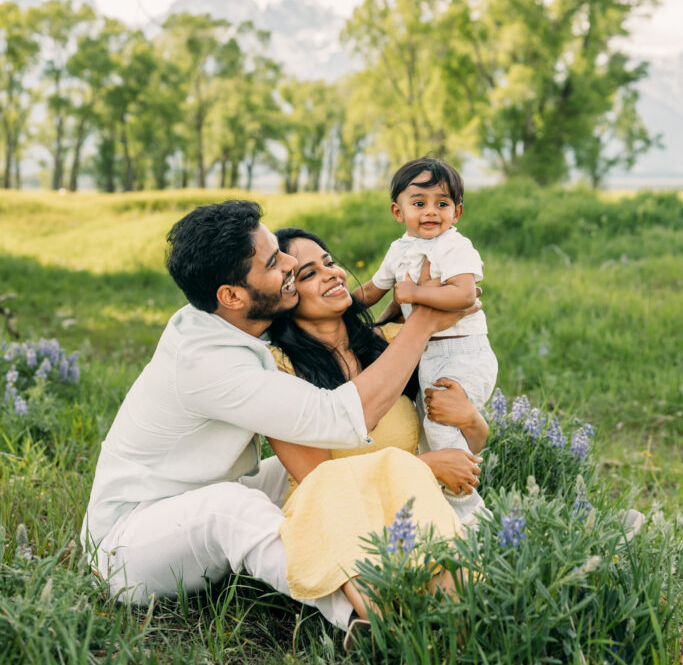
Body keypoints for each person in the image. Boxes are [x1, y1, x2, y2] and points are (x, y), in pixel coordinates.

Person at [80, 199, 474, 632]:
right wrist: (422, 326)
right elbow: (344, 415)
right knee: (235, 507)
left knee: (324, 475)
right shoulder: (209, 363)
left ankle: (435, 568)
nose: (288, 261)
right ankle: (371, 614)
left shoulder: (233, 321)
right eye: (273, 261)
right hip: (129, 542)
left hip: (205, 491)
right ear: (231, 296)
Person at [265, 227, 488, 621]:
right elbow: (316, 474)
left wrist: (471, 419)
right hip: (330, 502)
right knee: (338, 495)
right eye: (309, 273)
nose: (332, 274)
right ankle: (384, 627)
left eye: (330, 262)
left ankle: (453, 626)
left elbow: (470, 440)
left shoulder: (388, 342)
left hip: (407, 493)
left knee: (442, 562)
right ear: (286, 295)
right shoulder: (279, 366)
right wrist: (423, 465)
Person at [354, 157, 497, 521]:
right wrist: (339, 301)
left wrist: (414, 294)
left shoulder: (454, 247)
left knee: (440, 424)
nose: (431, 212)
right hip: (428, 352)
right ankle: (440, 506)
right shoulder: (398, 250)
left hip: (462, 353)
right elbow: (372, 290)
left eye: (442, 203)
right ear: (398, 211)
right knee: (427, 429)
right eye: (419, 203)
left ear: (457, 212)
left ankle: (468, 513)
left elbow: (465, 295)